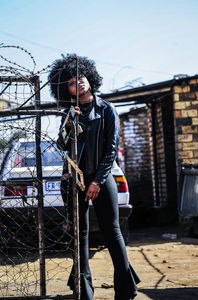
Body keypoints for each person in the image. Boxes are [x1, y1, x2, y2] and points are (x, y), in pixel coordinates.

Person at [48, 54, 140, 300]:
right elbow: (62, 145)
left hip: (102, 177)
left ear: (90, 78)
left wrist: (97, 181)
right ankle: (84, 291)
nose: (77, 82)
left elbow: (111, 150)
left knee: (112, 230)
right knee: (80, 235)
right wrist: (69, 123)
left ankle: (125, 289)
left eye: (81, 77)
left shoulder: (107, 109)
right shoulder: (69, 112)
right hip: (74, 179)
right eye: (70, 81)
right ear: (64, 88)